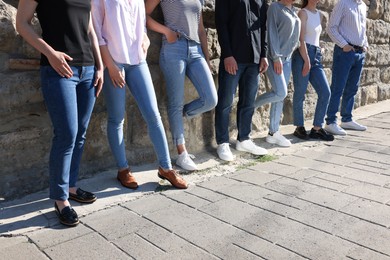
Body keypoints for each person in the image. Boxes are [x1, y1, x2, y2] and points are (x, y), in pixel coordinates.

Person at [16, 0, 104, 227]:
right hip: (57, 69)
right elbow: (21, 24)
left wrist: (100, 65)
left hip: (88, 69)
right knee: (67, 134)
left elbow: (90, 28)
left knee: (80, 133)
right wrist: (51, 53)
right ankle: (60, 198)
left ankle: (71, 186)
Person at [91, 0, 188, 190]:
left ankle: (166, 167)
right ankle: (123, 169)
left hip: (137, 61)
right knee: (117, 119)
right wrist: (109, 65)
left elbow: (140, 21)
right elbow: (96, 31)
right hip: (114, 60)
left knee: (153, 115)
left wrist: (145, 37)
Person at [145, 0, 218, 171]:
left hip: (196, 50)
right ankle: (181, 154)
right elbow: (143, 15)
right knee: (175, 103)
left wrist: (207, 59)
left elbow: (200, 30)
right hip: (173, 48)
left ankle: (177, 115)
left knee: (211, 99)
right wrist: (166, 31)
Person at [214, 0, 269, 162]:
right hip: (234, 58)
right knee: (225, 102)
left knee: (248, 103)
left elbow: (263, 26)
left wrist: (264, 54)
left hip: (255, 59)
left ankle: (243, 139)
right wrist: (227, 55)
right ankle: (222, 142)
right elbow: (221, 24)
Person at [254, 0, 300, 147]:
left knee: (279, 97)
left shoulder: (293, 10)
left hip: (288, 59)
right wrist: (276, 57)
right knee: (281, 92)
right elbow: (271, 32)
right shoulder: (275, 7)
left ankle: (273, 133)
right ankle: (251, 106)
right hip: (276, 58)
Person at [291, 0, 334, 141]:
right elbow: (301, 38)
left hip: (315, 55)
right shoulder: (303, 13)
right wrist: (307, 60)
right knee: (300, 92)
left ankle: (316, 128)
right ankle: (299, 127)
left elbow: (315, 36)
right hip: (303, 55)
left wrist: (319, 47)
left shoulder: (320, 15)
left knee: (325, 92)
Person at [324, 0, 368, 135]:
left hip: (360, 52)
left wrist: (365, 44)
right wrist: (344, 45)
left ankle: (347, 119)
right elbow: (331, 27)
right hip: (345, 52)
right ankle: (330, 122)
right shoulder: (342, 3)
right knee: (338, 87)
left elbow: (362, 28)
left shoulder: (362, 6)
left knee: (352, 87)